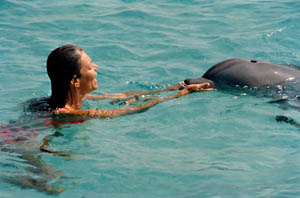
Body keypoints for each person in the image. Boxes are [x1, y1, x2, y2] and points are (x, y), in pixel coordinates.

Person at [44, 44, 213, 118]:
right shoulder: (65, 112)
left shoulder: (79, 100)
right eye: (89, 67)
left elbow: (123, 95)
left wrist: (172, 88)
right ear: (76, 82)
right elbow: (132, 110)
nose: (96, 67)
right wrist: (182, 95)